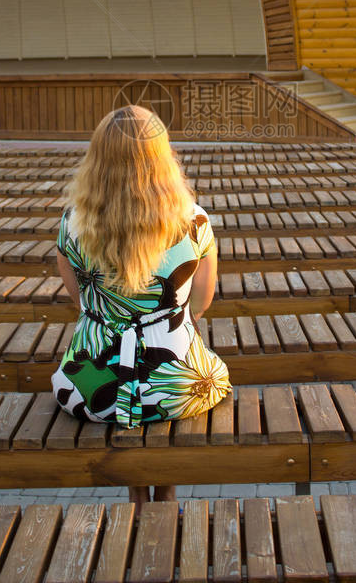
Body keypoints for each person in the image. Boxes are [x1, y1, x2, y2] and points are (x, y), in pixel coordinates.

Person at [51, 103, 231, 509]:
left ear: (97, 157)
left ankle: (137, 493)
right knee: (194, 376)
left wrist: (116, 317)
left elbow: (80, 300)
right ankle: (165, 491)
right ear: (162, 156)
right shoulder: (196, 221)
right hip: (178, 385)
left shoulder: (71, 223)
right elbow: (202, 301)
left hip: (93, 388)